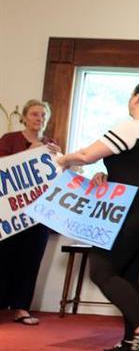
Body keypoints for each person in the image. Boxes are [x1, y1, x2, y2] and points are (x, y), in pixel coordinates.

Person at [58, 81, 139, 351]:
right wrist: (107, 176)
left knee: (101, 271)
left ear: (136, 98)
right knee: (127, 275)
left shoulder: (130, 127)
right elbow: (135, 169)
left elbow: (86, 155)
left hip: (128, 213)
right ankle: (132, 341)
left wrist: (61, 160)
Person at [0, 99, 58, 326]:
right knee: (3, 259)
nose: (39, 119)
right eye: (34, 114)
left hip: (38, 214)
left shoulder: (50, 143)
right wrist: (31, 152)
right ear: (24, 117)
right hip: (9, 214)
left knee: (30, 261)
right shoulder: (10, 139)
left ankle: (21, 308)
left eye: (43, 115)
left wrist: (62, 160)